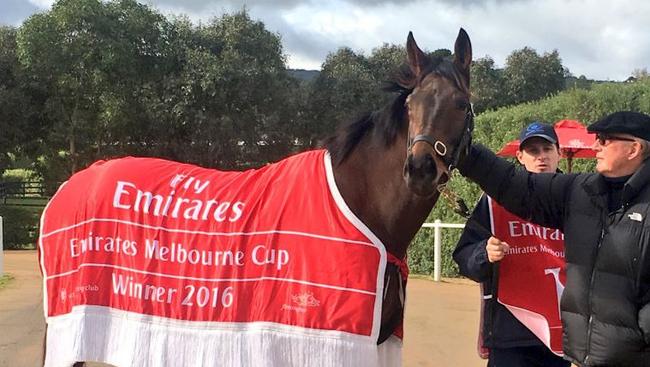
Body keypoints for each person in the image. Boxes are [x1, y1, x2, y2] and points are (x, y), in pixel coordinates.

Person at [457, 111, 650, 366]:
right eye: (532, 150)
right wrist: (458, 147)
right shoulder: (579, 191)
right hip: (553, 345)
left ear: (633, 149)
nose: (596, 146)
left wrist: (637, 341)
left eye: (604, 139)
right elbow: (514, 185)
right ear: (520, 156)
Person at [453, 121, 570, 367]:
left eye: (547, 149)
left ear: (558, 153)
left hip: (562, 334)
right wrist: (484, 253)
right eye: (533, 151)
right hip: (511, 335)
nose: (541, 157)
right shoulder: (493, 202)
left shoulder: (577, 198)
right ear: (519, 156)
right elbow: (464, 255)